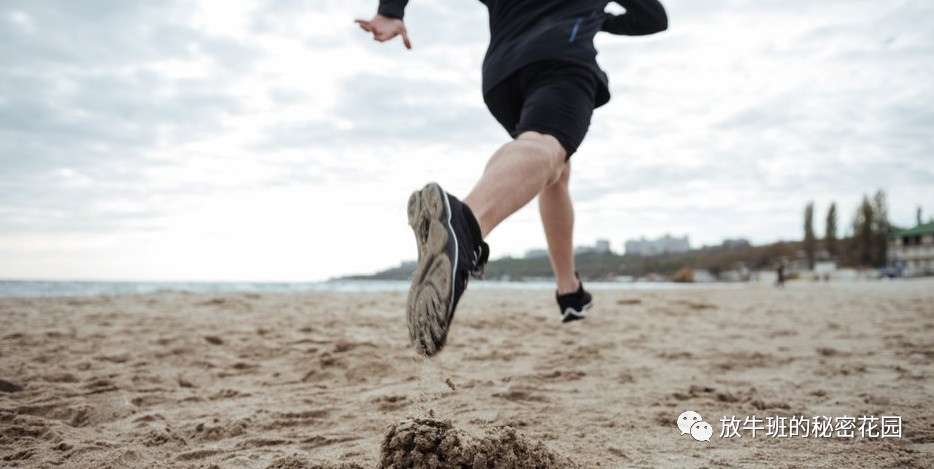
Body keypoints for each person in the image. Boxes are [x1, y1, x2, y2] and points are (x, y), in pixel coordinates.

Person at [356, 0, 668, 356]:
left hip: (502, 77)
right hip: (561, 59)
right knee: (545, 146)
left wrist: (391, 11)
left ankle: (569, 290)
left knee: (554, 168)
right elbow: (653, 19)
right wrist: (598, 19)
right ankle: (465, 228)